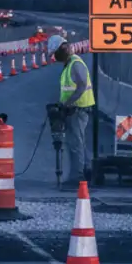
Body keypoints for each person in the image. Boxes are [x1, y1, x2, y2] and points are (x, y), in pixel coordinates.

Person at [48, 34, 94, 186]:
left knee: (75, 143)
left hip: (78, 109)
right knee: (78, 142)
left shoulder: (75, 64)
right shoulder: (69, 65)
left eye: (55, 53)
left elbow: (81, 85)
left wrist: (68, 103)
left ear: (63, 48)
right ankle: (87, 170)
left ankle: (77, 177)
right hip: (73, 109)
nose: (55, 57)